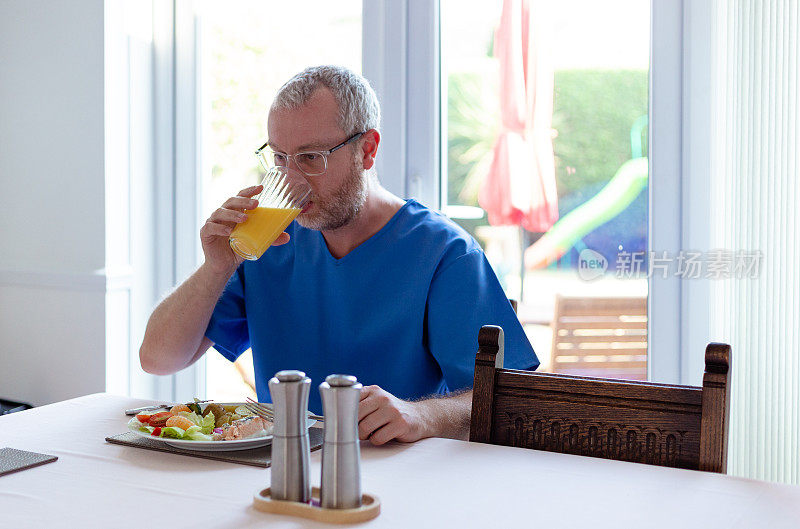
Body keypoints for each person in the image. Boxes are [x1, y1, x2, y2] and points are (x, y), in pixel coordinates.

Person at [139, 65, 538, 445]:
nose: (291, 178)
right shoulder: (269, 243)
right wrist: (217, 266)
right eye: (280, 158)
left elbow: (511, 402)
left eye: (311, 158)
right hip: (279, 470)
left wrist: (422, 416)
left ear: (367, 149)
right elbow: (158, 359)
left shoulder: (444, 254)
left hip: (398, 475)